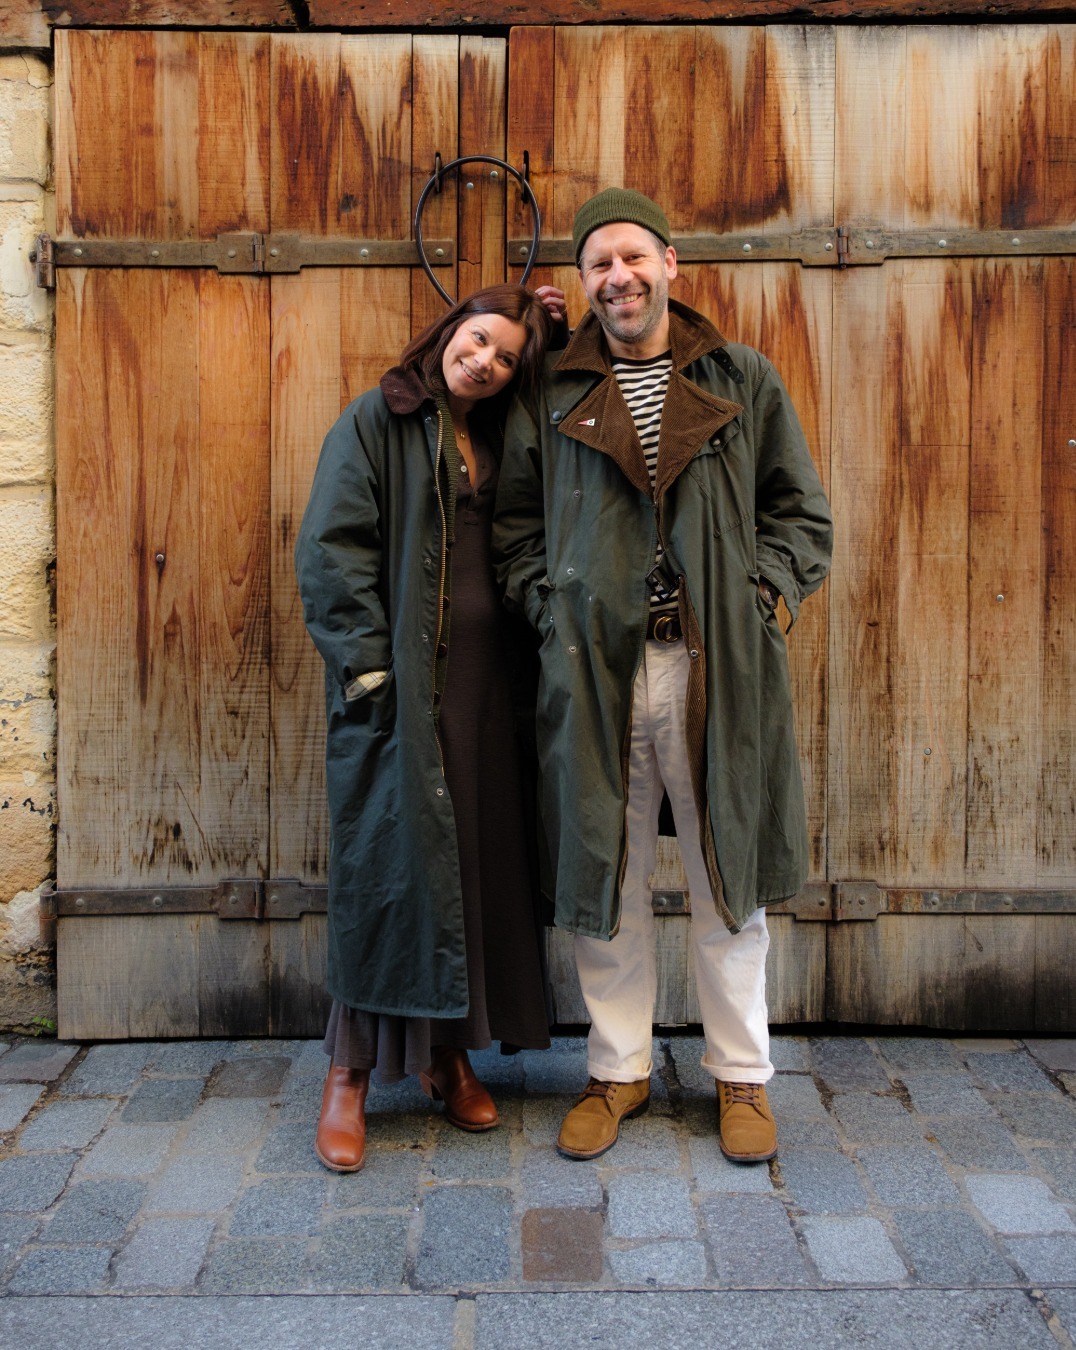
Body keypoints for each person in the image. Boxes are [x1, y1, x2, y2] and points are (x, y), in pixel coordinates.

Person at [493, 188, 833, 1164]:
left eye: (633, 257)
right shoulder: (551, 392)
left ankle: (741, 1079)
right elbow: (515, 527)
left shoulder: (742, 378)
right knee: (611, 870)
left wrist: (763, 600)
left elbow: (800, 513)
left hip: (713, 665)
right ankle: (619, 1071)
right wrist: (544, 604)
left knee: (732, 881)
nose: (619, 277)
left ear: (671, 264)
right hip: (595, 670)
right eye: (599, 263)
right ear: (585, 282)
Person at [296, 282, 565, 1173]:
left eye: (503, 357)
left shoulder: (497, 428)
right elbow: (333, 548)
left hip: (490, 689)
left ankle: (449, 1056)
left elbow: (557, 423)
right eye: (478, 340)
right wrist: (368, 667)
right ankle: (349, 1074)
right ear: (450, 329)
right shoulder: (379, 417)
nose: (484, 361)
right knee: (391, 868)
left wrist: (555, 340)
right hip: (403, 687)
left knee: (474, 867)